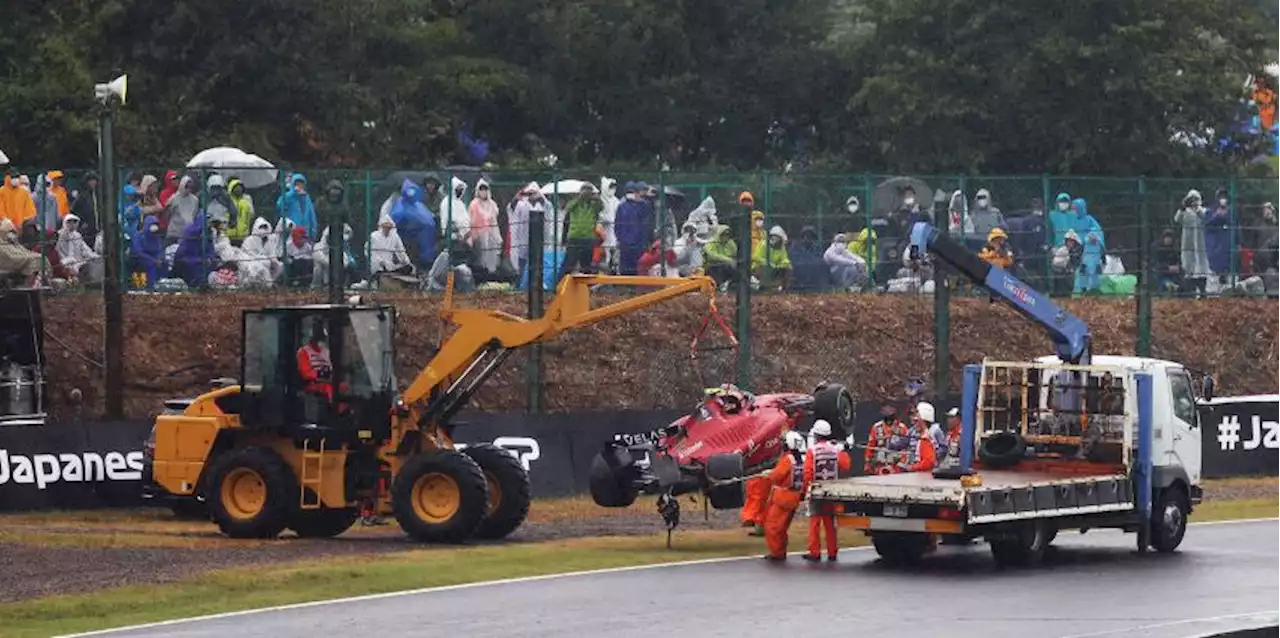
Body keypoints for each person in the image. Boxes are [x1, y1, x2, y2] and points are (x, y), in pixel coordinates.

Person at [803, 419, 852, 562]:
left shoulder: (812, 450)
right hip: (831, 491)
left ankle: (815, 552)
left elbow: (808, 472)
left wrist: (807, 489)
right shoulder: (835, 449)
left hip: (816, 490)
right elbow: (845, 466)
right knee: (830, 523)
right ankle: (832, 552)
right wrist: (844, 450)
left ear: (816, 435)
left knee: (814, 523)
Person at [761, 431, 807, 561]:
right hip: (793, 497)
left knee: (773, 526)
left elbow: (777, 476)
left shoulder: (787, 459)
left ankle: (777, 553)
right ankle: (780, 551)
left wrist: (769, 474)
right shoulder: (799, 459)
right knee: (782, 528)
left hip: (783, 498)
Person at [1174, 189, 1211, 296]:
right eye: (1192, 200)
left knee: (1202, 269)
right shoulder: (1184, 212)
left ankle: (1203, 292)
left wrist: (1197, 209)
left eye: (1196, 199)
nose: (1194, 202)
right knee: (1188, 268)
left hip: (1201, 246)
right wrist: (1183, 207)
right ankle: (1190, 292)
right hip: (1188, 246)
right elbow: (1177, 219)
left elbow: (1207, 218)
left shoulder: (1203, 211)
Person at [615, 182, 653, 275]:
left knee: (637, 266)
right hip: (628, 243)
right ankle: (627, 286)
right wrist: (619, 238)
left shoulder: (643, 205)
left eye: (633, 192)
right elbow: (617, 224)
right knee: (626, 267)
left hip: (638, 242)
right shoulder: (622, 206)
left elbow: (647, 225)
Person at [564, 184, 602, 274]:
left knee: (586, 265)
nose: (586, 194)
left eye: (589, 192)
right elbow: (568, 208)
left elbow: (601, 207)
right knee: (570, 263)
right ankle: (564, 283)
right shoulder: (574, 202)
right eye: (585, 191)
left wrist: (597, 199)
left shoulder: (593, 205)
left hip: (588, 237)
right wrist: (579, 198)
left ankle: (585, 285)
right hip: (574, 236)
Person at [468, 178, 502, 277]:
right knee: (482, 257)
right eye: (481, 189)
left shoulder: (492, 204)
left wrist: (497, 237)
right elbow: (472, 222)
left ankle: (492, 274)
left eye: (485, 189)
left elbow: (494, 221)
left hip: (492, 234)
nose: (484, 192)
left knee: (493, 255)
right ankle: (481, 274)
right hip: (479, 236)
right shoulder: (474, 204)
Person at [865, 402, 910, 475]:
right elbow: (870, 446)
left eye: (890, 415)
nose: (889, 419)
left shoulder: (902, 428)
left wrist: (902, 464)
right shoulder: (876, 427)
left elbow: (906, 448)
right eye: (886, 415)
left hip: (896, 466)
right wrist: (867, 462)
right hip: (879, 466)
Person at [56, 213, 101, 284]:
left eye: (74, 222)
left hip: (78, 262)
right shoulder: (59, 235)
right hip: (65, 262)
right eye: (69, 222)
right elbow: (57, 251)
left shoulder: (77, 235)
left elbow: (85, 249)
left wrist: (94, 256)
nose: (72, 224)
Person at [297, 321, 336, 402]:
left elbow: (332, 368)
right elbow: (307, 374)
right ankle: (337, 411)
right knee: (328, 388)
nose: (321, 341)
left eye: (322, 338)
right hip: (312, 385)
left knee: (344, 387)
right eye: (318, 338)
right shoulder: (303, 352)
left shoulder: (326, 351)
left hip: (329, 381)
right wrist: (324, 376)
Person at [898, 402, 938, 473]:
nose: (914, 424)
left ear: (923, 422)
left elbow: (928, 462)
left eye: (916, 421)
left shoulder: (925, 439)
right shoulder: (925, 436)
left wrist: (912, 467)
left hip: (924, 476)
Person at [165, 175, 200, 245]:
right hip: (174, 233)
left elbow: (194, 214)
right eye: (186, 187)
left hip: (188, 233)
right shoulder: (174, 198)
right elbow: (167, 215)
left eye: (190, 187)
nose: (188, 189)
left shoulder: (195, 200)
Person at [70, 172, 100, 246]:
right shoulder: (82, 196)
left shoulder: (98, 195)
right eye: (90, 181)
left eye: (94, 180)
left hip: (97, 229)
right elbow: (74, 211)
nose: (93, 183)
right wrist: (81, 223)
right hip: (86, 231)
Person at [225, 178, 255, 242]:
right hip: (229, 235)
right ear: (231, 189)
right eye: (236, 187)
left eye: (240, 187)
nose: (238, 189)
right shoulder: (227, 201)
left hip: (243, 235)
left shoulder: (246, 201)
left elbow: (251, 215)